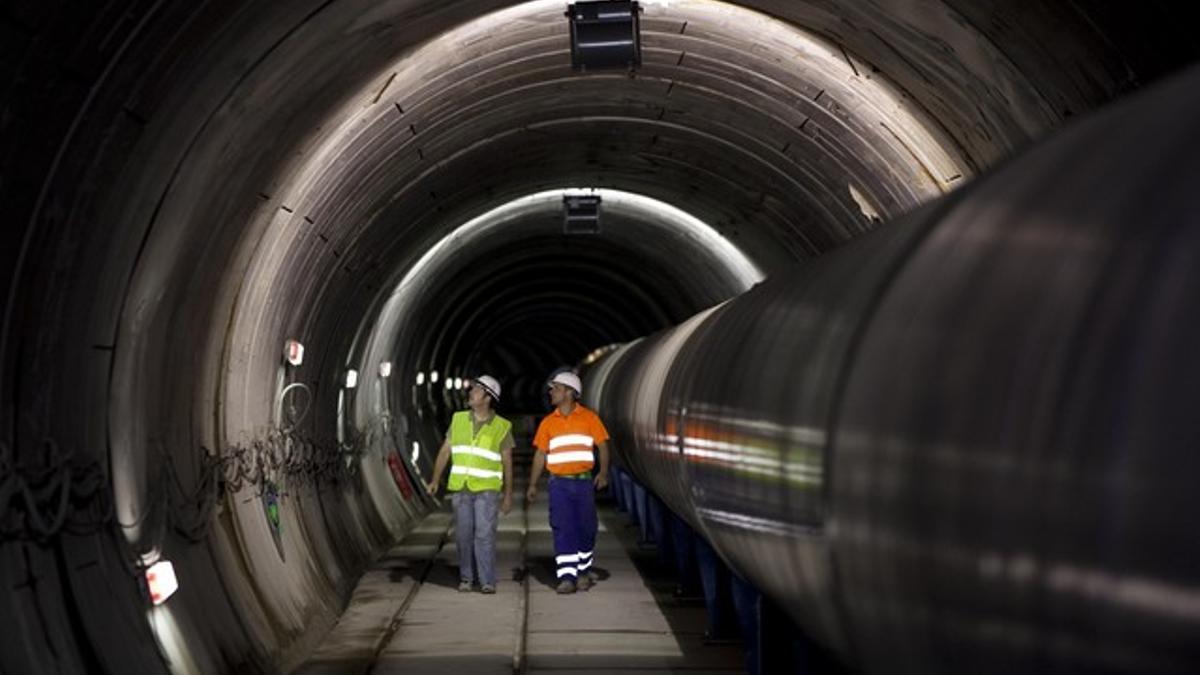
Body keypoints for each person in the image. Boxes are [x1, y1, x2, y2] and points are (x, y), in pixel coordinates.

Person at [426, 375, 514, 593]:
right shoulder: (458, 420)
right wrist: (435, 479)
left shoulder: (501, 427)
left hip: (487, 491)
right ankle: (466, 578)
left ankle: (487, 581)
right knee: (464, 536)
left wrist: (508, 495)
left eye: (475, 391)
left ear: (487, 398)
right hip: (461, 490)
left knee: (484, 535)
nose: (470, 393)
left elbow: (507, 462)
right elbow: (445, 451)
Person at [526, 371, 611, 594]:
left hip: (583, 484)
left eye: (556, 388)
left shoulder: (590, 419)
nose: (551, 392)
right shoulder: (547, 423)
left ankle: (583, 571)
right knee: (563, 529)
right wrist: (533, 484)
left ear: (570, 393)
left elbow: (602, 446)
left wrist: (603, 473)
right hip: (559, 485)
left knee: (587, 528)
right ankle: (567, 577)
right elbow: (540, 455)